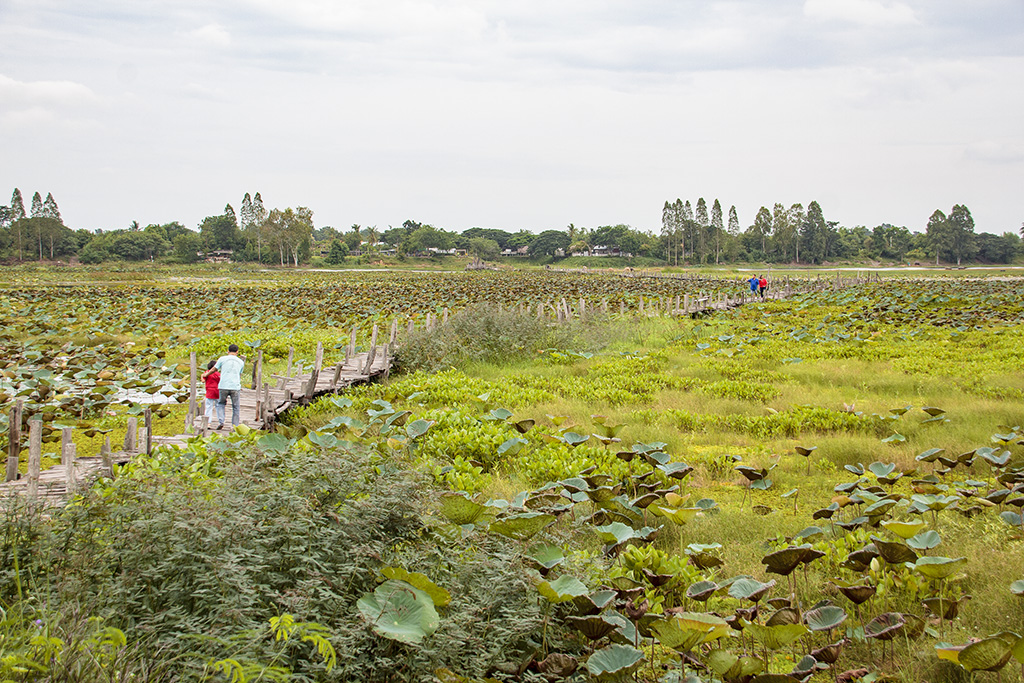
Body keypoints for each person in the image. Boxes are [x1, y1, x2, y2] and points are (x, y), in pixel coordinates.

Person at [214, 344, 245, 429]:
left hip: (223, 385)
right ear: (237, 352)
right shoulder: (241, 362)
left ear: (228, 351)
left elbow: (215, 368)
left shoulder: (222, 359)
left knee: (220, 403)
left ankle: (221, 421)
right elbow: (240, 373)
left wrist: (207, 374)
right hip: (235, 386)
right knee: (236, 407)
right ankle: (235, 426)